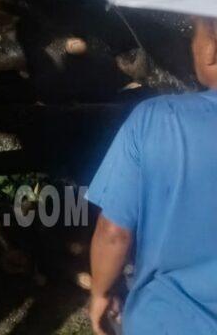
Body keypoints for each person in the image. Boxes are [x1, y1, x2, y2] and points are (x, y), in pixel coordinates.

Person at [87, 17, 217, 335]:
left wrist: (100, 294)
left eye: (196, 35)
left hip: (166, 321)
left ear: (212, 48)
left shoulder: (156, 119)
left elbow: (113, 232)